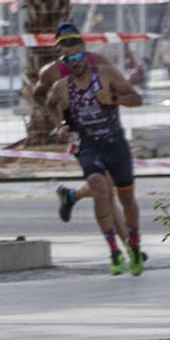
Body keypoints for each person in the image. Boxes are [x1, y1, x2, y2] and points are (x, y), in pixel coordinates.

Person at [45, 40, 146, 275]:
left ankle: (134, 246)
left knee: (127, 197)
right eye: (68, 59)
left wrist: (113, 99)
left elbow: (136, 99)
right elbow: (50, 105)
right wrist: (59, 126)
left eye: (78, 56)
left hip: (115, 144)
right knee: (99, 188)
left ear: (86, 56)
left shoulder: (107, 75)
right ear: (63, 62)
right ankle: (114, 252)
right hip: (89, 147)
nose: (75, 62)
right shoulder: (62, 87)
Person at [31, 22, 124, 227]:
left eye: (74, 39)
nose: (71, 45)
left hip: (106, 131)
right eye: (65, 42)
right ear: (58, 46)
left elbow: (117, 88)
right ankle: (129, 245)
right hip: (80, 134)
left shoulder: (98, 62)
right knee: (107, 188)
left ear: (81, 42)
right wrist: (60, 121)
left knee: (106, 186)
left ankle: (71, 196)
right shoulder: (51, 72)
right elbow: (40, 96)